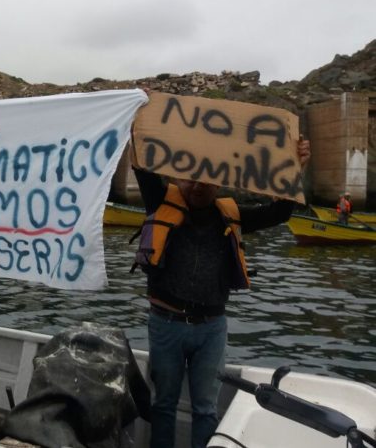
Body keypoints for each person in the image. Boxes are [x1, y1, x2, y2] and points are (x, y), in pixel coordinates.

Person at [132, 137, 311, 448]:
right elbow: (141, 166)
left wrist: (295, 168)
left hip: (211, 329)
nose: (198, 186)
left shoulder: (231, 214)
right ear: (176, 177)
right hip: (166, 325)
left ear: (219, 182)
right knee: (163, 404)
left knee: (205, 408)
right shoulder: (160, 201)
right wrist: (138, 125)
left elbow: (280, 212)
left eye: (207, 179)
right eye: (190, 178)